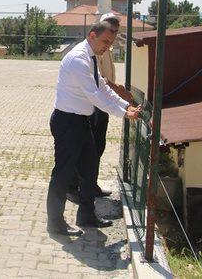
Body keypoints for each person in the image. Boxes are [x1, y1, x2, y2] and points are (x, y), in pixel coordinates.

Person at [46, 21, 140, 236]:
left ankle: (87, 216)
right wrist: (124, 114)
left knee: (89, 169)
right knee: (63, 173)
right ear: (92, 35)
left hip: (80, 121)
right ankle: (55, 223)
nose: (108, 46)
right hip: (67, 122)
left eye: (111, 42)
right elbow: (95, 96)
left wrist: (126, 105)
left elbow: (103, 87)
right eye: (105, 41)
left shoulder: (91, 57)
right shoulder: (79, 59)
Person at [67, 13, 135, 202]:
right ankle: (73, 187)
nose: (113, 35)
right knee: (84, 149)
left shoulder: (105, 47)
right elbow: (99, 83)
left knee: (97, 146)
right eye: (111, 30)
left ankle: (90, 185)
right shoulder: (89, 52)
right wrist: (121, 101)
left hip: (102, 102)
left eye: (116, 31)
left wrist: (120, 103)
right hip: (93, 104)